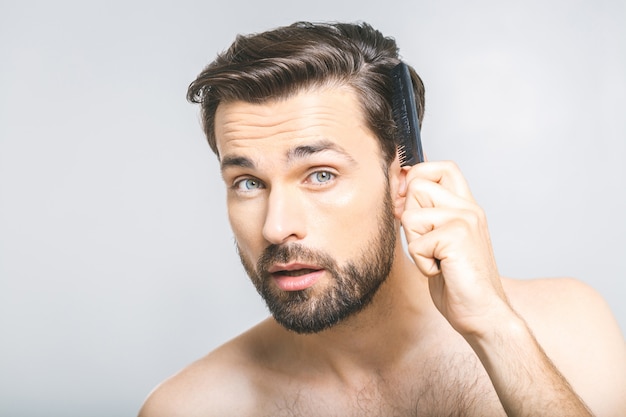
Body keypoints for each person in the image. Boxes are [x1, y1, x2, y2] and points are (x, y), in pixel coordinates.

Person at [139, 21, 626, 416]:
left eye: (320, 174)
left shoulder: (569, 328)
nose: (275, 227)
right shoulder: (191, 406)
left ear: (403, 177)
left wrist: (496, 329)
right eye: (248, 183)